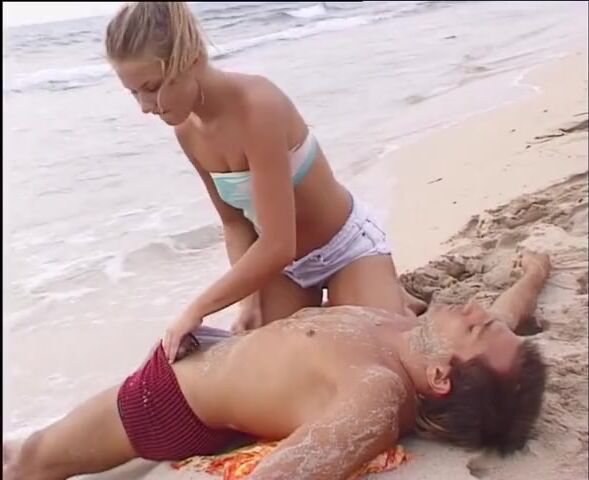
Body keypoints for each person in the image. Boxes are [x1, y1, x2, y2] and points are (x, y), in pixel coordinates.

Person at [3, 251, 549, 480]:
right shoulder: (417, 341)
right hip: (212, 350)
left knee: (30, 460)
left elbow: (284, 473)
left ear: (440, 377)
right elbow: (507, 315)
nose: (476, 309)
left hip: (168, 400)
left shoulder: (376, 392)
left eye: (476, 328)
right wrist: (534, 274)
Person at [103, 1, 426, 363]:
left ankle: (385, 293)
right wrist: (249, 300)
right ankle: (364, 301)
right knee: (275, 365)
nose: (145, 106)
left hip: (343, 247)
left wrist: (197, 309)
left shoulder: (258, 106)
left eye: (151, 87)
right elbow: (235, 224)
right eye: (134, 92)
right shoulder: (187, 132)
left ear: (190, 59)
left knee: (379, 355)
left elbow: (277, 243)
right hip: (284, 271)